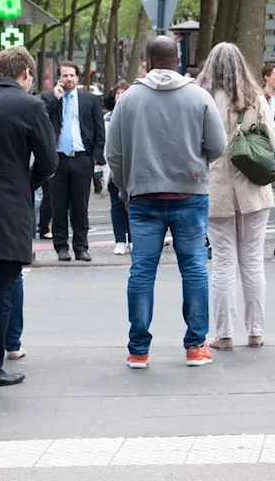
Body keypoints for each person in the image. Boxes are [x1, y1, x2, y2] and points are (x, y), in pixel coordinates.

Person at [106, 35, 228, 369]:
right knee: (193, 269)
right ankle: (195, 346)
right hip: (189, 194)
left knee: (142, 271)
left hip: (143, 196)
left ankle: (138, 350)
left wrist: (126, 187)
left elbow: (112, 153)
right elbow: (218, 145)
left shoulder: (128, 99)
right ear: (177, 60)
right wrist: (196, 164)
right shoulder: (198, 95)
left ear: (146, 62)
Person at [198, 43, 275, 351]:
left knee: (222, 263)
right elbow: (272, 141)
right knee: (253, 262)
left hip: (215, 191)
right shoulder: (255, 97)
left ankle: (224, 334)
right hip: (253, 191)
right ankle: (256, 331)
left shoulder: (202, 99)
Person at [0, 48, 57, 385]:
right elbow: (48, 162)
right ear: (26, 73)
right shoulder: (30, 106)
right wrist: (25, 184)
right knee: (3, 286)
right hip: (8, 209)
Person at [42, 60, 106, 262]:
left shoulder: (90, 100)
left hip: (82, 159)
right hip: (58, 159)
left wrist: (94, 157)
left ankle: (81, 246)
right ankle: (61, 247)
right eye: (64, 75)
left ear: (78, 77)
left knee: (80, 205)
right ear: (59, 78)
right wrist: (55, 98)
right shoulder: (49, 99)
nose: (68, 79)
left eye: (72, 75)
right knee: (58, 205)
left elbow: (99, 131)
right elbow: (42, 119)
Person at [104, 81, 132, 254]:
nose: (121, 96)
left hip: (134, 167)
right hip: (114, 166)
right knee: (117, 204)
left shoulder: (138, 116)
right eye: (118, 93)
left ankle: (134, 238)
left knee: (134, 205)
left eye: (124, 93)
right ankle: (120, 239)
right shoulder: (107, 119)